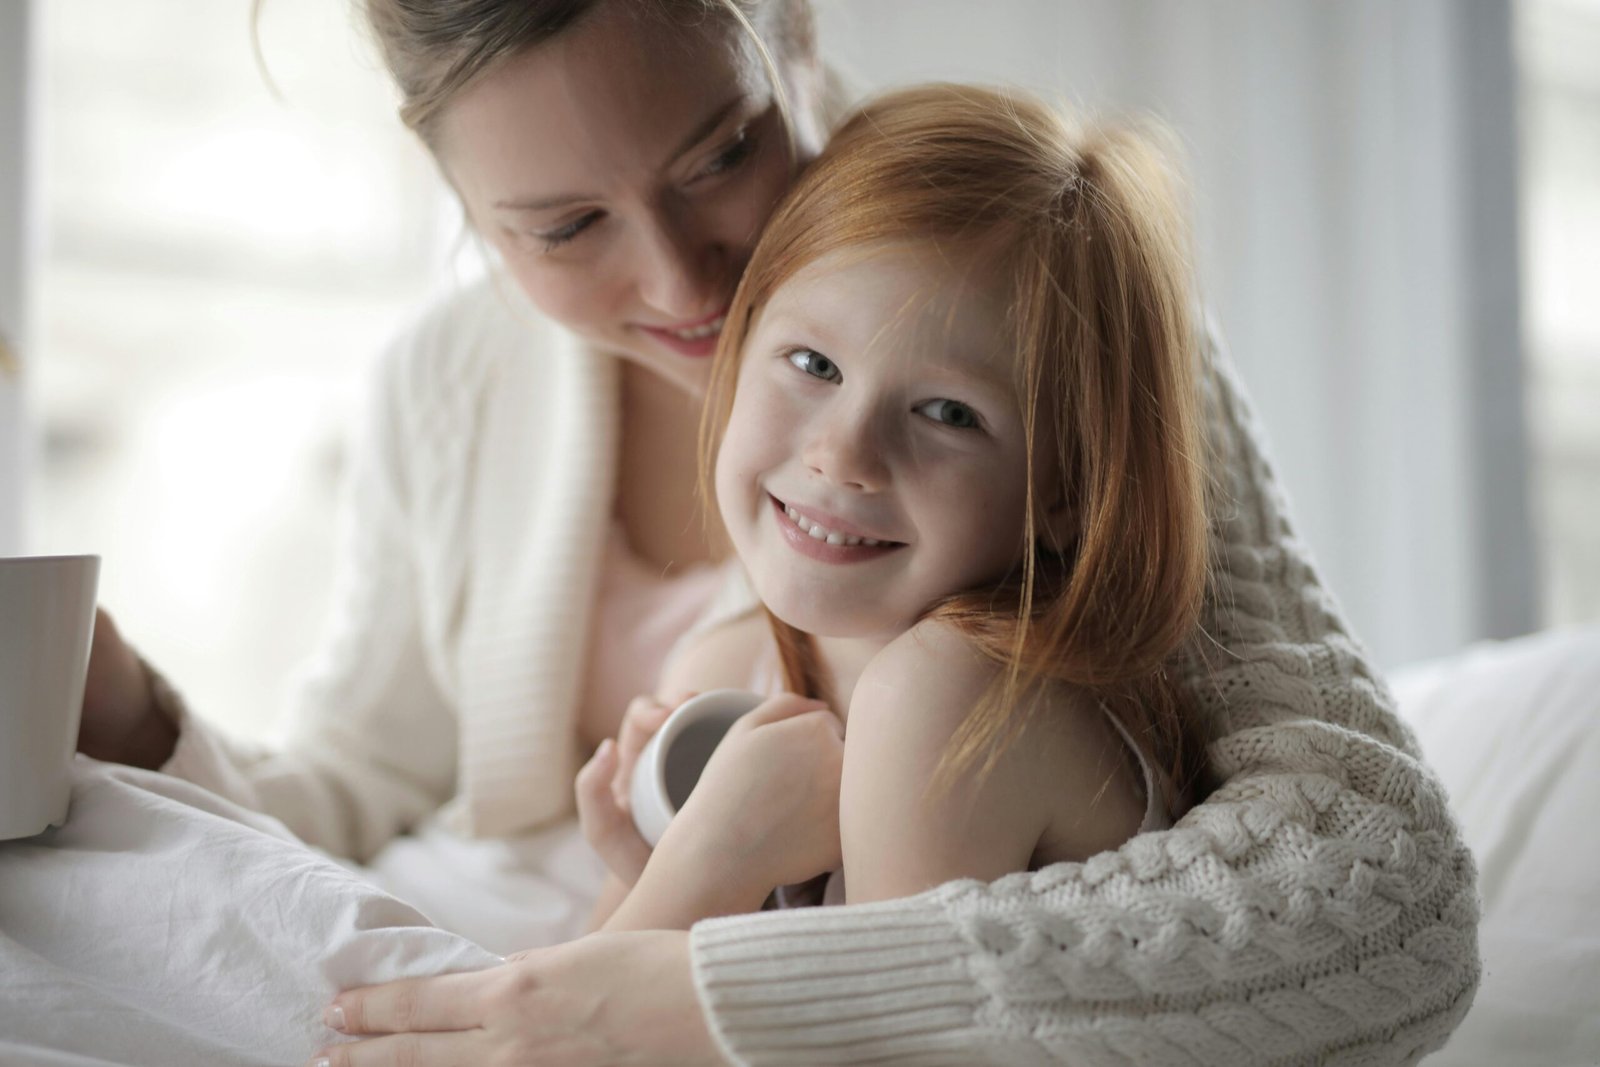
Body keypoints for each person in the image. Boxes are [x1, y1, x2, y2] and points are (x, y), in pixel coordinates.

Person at [64, 0, 1476, 1062]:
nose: (683, 278)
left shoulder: (1039, 288)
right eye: (563, 228)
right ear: (470, 217)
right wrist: (131, 721)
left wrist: (693, 971)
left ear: (788, 26)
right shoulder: (450, 379)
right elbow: (359, 790)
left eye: (722, 152)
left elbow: (1381, 886)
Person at [577, 85, 1212, 934]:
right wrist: (647, 870)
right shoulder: (727, 676)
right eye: (812, 361)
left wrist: (704, 868)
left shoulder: (952, 697)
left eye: (949, 414)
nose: (842, 454)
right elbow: (556, 1014)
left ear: (1066, 496)